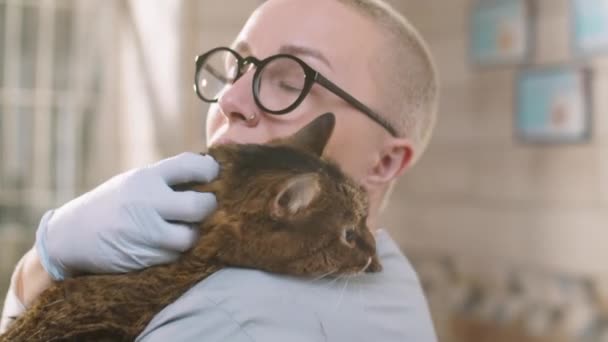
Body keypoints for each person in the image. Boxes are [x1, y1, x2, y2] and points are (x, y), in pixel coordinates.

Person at [1, 0, 439, 340]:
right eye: (235, 68)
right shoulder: (395, 279)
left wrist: (42, 260)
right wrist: (46, 259)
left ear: (385, 160)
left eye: (289, 82)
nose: (229, 100)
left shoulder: (223, 317)